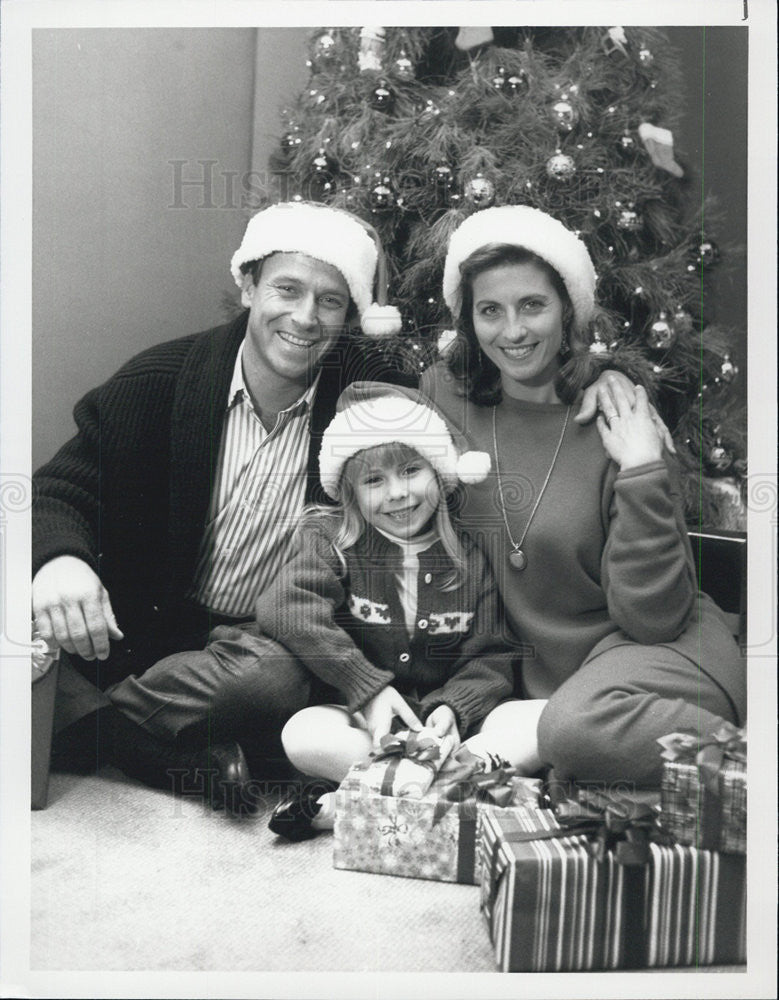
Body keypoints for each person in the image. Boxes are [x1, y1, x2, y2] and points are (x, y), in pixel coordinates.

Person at [31, 201, 413, 813]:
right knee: (35, 607)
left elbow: (472, 398)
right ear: (247, 286)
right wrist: (59, 564)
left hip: (264, 643)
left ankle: (89, 725)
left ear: (351, 317)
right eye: (286, 289)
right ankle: (155, 748)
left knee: (273, 681)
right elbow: (52, 492)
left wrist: (599, 375)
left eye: (331, 301)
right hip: (137, 630)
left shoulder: (368, 402)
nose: (305, 318)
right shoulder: (158, 380)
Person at [420, 204, 746, 786]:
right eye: (490, 311)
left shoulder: (619, 415)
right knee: (553, 738)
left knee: (572, 733)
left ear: (568, 310)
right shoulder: (442, 396)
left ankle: (747, 756)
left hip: (652, 659)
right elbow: (356, 428)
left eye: (533, 305)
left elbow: (655, 618)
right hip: (542, 684)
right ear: (467, 321)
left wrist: (643, 467)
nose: (513, 331)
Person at [235, 382, 516, 840]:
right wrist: (364, 686)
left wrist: (455, 707)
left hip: (448, 728)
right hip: (366, 724)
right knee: (302, 734)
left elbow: (493, 656)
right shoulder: (330, 540)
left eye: (410, 471)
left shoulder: (468, 554)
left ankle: (349, 804)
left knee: (533, 723)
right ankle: (449, 789)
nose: (397, 494)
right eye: (373, 480)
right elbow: (285, 607)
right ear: (350, 493)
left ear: (440, 474)